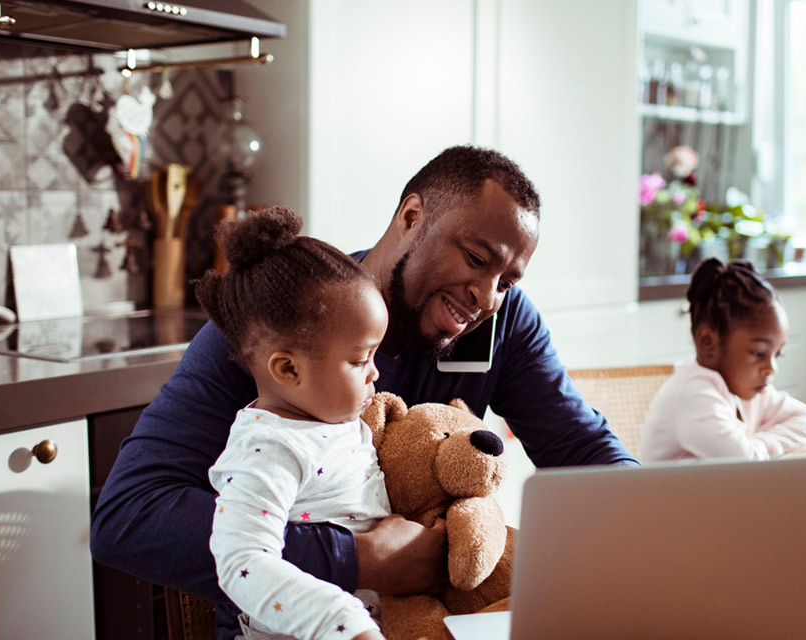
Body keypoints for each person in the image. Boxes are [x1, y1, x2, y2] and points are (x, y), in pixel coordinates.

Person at [91, 145, 637, 639]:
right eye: (475, 258)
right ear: (411, 216)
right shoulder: (280, 327)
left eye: (508, 281)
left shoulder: (502, 324)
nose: (488, 297)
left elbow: (583, 452)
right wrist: (354, 558)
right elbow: (129, 518)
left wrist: (671, 524)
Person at [196, 207, 389, 640]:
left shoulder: (336, 420)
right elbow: (242, 561)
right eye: (360, 360)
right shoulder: (266, 448)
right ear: (288, 370)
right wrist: (346, 622)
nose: (375, 373)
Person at [640, 257, 806, 461]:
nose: (771, 369)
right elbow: (745, 463)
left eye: (777, 354)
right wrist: (759, 447)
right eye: (758, 353)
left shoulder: (748, 391)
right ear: (707, 341)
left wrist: (759, 443)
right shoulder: (693, 393)